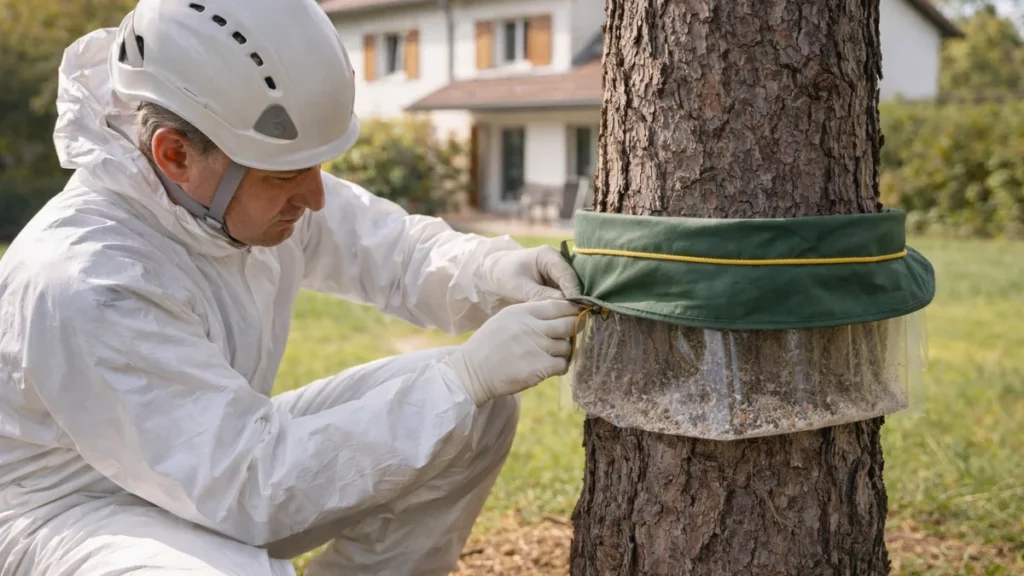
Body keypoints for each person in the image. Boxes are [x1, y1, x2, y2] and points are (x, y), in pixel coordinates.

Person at [0, 0, 583, 574]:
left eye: (316, 167)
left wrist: (492, 271)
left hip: (207, 465)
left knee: (469, 418)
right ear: (175, 154)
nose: (315, 198)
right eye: (286, 176)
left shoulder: (230, 187)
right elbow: (248, 490)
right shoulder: (87, 279)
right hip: (70, 514)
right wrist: (464, 376)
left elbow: (396, 252)